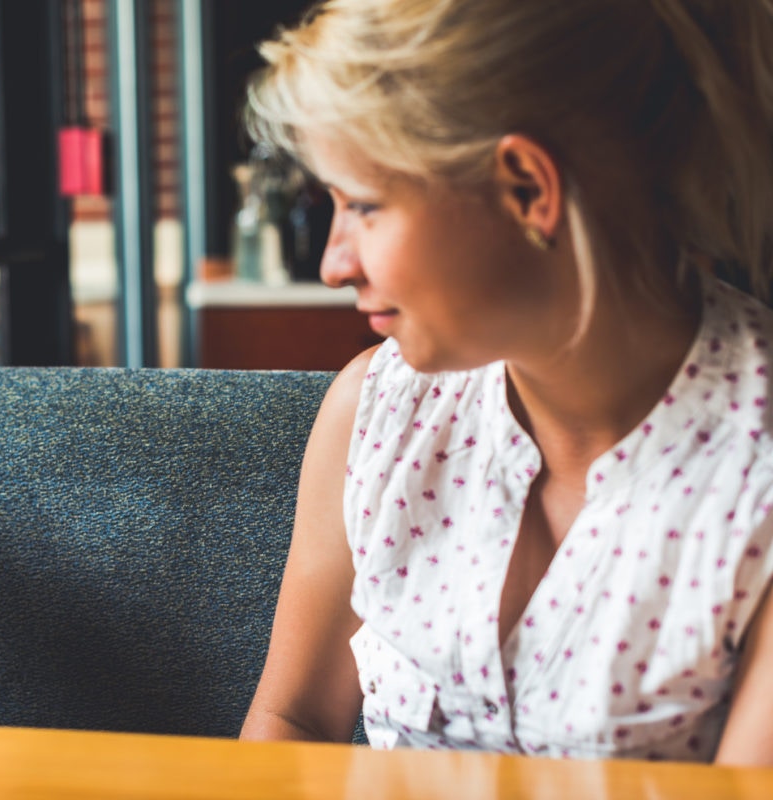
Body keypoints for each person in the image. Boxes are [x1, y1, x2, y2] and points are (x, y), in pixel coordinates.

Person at [238, 0, 773, 765]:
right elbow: (290, 723)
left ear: (528, 188)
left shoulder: (755, 476)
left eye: (362, 205)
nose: (333, 264)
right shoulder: (374, 412)